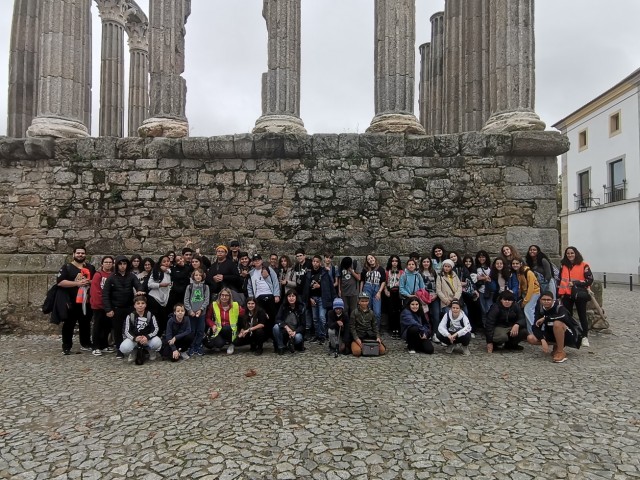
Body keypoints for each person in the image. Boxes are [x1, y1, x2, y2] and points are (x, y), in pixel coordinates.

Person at [103, 255, 145, 358]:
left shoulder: (131, 276)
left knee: (133, 328)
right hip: (116, 308)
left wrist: (139, 290)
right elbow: (105, 294)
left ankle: (135, 348)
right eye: (120, 264)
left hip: (129, 307)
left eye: (124, 264)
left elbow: (138, 285)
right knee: (117, 330)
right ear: (116, 265)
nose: (122, 266)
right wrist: (108, 309)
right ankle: (120, 349)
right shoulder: (111, 278)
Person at [56, 246, 96, 355]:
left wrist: (89, 282)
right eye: (78, 253)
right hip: (71, 301)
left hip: (86, 301)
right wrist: (77, 283)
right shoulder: (67, 267)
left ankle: (86, 343)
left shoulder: (90, 267)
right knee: (69, 324)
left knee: (85, 323)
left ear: (85, 255)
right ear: (73, 254)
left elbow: (95, 280)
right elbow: (60, 282)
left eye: (82, 253)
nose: (80, 255)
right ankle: (67, 346)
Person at [528, 291, 583, 363]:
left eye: (548, 300)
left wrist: (546, 318)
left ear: (553, 300)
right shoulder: (540, 309)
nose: (546, 302)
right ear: (540, 300)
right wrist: (542, 340)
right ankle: (558, 345)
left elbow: (564, 316)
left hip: (568, 334)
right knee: (530, 338)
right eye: (544, 300)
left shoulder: (559, 307)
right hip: (551, 333)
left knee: (557, 324)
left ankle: (560, 351)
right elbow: (535, 326)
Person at [558, 246, 593, 347]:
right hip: (566, 294)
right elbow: (560, 279)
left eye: (572, 253)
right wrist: (559, 293)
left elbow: (590, 280)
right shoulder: (563, 265)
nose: (570, 255)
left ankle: (584, 336)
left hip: (579, 294)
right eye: (568, 253)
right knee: (567, 315)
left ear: (576, 254)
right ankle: (571, 335)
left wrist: (576, 283)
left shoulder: (584, 265)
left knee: (582, 315)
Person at [303, 255, 337, 344]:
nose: (315, 263)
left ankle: (322, 335)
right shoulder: (309, 273)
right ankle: (317, 334)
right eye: (314, 261)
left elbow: (329, 286)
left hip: (322, 298)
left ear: (320, 263)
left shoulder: (324, 273)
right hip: (313, 298)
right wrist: (309, 298)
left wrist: (320, 286)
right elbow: (306, 288)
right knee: (315, 318)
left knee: (322, 317)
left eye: (317, 262)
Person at [120, 296, 162, 364]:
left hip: (147, 339)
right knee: (123, 348)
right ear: (134, 305)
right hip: (135, 339)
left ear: (145, 305)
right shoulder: (130, 316)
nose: (140, 305)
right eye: (138, 303)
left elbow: (155, 329)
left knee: (157, 342)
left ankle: (150, 349)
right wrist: (135, 338)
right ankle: (134, 351)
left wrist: (147, 337)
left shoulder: (150, 315)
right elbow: (127, 331)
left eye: (142, 303)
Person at [203, 287, 244, 354]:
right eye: (222, 295)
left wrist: (243, 328)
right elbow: (208, 318)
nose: (224, 297)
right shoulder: (214, 305)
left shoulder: (235, 305)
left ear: (230, 297)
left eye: (226, 295)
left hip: (231, 330)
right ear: (220, 296)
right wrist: (212, 325)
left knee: (226, 328)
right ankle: (222, 342)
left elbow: (244, 315)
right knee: (212, 344)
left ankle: (232, 344)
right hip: (219, 330)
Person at [247, 254, 280, 333]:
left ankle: (272, 333)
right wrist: (251, 298)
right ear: (253, 262)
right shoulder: (251, 273)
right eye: (255, 260)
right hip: (258, 297)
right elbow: (249, 287)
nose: (257, 261)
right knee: (262, 316)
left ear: (261, 261)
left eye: (258, 260)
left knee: (272, 315)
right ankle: (264, 334)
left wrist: (276, 295)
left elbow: (275, 281)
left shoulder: (269, 269)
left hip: (270, 295)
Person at [89, 256, 114, 356]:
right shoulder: (98, 275)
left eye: (110, 262)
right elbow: (95, 291)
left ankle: (104, 345)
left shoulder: (113, 275)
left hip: (110, 305)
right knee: (97, 326)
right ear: (102, 264)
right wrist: (102, 304)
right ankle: (96, 346)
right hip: (99, 306)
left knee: (107, 326)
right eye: (106, 262)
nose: (108, 264)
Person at [350, 292, 386, 357]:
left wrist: (378, 337)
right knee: (357, 352)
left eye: (366, 301)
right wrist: (357, 339)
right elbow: (352, 328)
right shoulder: (354, 312)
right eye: (362, 301)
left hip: (369, 336)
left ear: (368, 302)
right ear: (359, 302)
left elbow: (375, 326)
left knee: (382, 351)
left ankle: (367, 349)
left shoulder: (371, 313)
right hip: (359, 335)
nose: (364, 303)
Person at [184, 268, 210, 357]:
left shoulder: (205, 287)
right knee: (192, 331)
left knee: (200, 330)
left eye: (199, 275)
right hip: (191, 313)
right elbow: (186, 300)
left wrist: (201, 309)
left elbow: (206, 300)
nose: (198, 277)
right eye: (196, 275)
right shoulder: (189, 287)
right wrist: (190, 310)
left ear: (202, 276)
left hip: (201, 313)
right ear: (193, 276)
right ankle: (192, 346)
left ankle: (198, 345)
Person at [511, 257, 540, 333]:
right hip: (525, 293)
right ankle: (529, 330)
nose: (515, 265)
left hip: (534, 292)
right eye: (513, 263)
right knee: (526, 311)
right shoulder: (518, 273)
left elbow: (531, 288)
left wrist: (525, 301)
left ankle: (533, 332)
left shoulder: (528, 272)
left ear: (521, 264)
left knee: (528, 310)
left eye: (517, 263)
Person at [273, 289, 306, 354]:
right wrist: (286, 327)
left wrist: (295, 332)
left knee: (298, 337)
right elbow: (277, 319)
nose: (291, 298)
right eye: (289, 296)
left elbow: (303, 325)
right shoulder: (283, 306)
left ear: (296, 297)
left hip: (295, 331)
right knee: (275, 327)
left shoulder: (301, 307)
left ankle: (290, 344)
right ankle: (281, 346)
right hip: (285, 330)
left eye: (293, 296)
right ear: (287, 298)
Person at [146, 255, 172, 336]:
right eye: (164, 261)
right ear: (160, 263)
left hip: (164, 299)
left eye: (168, 261)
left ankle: (161, 335)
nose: (166, 263)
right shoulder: (156, 271)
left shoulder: (170, 272)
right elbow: (149, 284)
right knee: (155, 318)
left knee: (163, 319)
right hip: (154, 298)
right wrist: (160, 285)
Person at [360, 254, 386, 329]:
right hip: (367, 289)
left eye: (371, 258)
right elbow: (362, 281)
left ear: (374, 258)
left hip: (377, 289)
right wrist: (361, 292)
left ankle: (376, 329)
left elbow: (383, 281)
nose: (370, 260)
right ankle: (367, 329)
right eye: (368, 259)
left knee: (377, 312)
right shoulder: (365, 269)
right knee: (366, 309)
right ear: (367, 261)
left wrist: (379, 292)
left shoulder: (380, 269)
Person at [384, 255, 404, 338]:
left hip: (398, 292)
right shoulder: (387, 272)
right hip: (390, 292)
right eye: (393, 261)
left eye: (396, 261)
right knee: (391, 311)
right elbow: (384, 282)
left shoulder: (402, 272)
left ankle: (398, 329)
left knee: (398, 311)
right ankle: (392, 329)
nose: (394, 263)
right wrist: (385, 290)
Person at [337, 256, 360, 321]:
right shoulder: (341, 265)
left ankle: (353, 324)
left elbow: (358, 278)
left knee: (353, 310)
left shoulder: (356, 264)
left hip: (353, 292)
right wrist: (339, 289)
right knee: (344, 310)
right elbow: (339, 278)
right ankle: (346, 324)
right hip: (344, 292)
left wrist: (350, 270)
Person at [475, 250, 493, 325]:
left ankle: (490, 324)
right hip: (480, 290)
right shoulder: (476, 268)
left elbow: (492, 278)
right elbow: (474, 278)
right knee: (483, 309)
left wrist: (484, 278)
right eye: (480, 257)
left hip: (489, 290)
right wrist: (482, 278)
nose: (481, 259)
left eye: (483, 257)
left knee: (489, 308)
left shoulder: (490, 267)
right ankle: (485, 325)